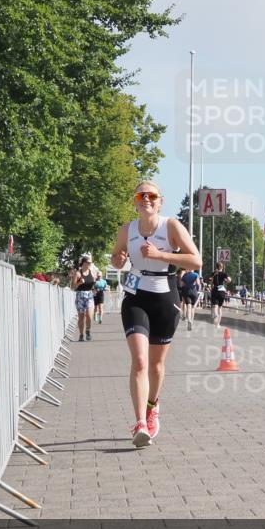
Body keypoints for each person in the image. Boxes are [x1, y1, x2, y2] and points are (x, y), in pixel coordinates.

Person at [111, 181, 201, 448]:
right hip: (136, 297)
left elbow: (195, 260)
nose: (146, 199)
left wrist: (161, 255)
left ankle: (153, 406)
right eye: (141, 195)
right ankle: (140, 423)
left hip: (165, 297)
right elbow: (117, 258)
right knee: (139, 361)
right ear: (135, 201)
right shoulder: (127, 229)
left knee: (156, 365)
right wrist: (118, 260)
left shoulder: (170, 226)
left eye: (152, 196)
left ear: (160, 201)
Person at [70, 255, 97, 341]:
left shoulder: (92, 272)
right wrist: (79, 283)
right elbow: (72, 287)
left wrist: (95, 289)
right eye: (88, 262)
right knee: (81, 317)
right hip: (80, 295)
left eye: (90, 263)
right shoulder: (78, 273)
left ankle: (88, 331)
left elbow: (94, 284)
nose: (89, 264)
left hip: (89, 295)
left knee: (89, 315)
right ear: (83, 263)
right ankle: (81, 334)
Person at [179, 266, 201, 330]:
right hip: (193, 291)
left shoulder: (185, 275)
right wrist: (198, 290)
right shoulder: (195, 275)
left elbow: (181, 284)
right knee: (193, 307)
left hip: (186, 291)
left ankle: (188, 319)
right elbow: (198, 283)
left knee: (188, 305)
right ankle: (191, 320)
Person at [210, 262, 231, 327]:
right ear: (222, 267)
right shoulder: (224, 273)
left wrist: (214, 276)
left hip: (215, 290)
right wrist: (226, 281)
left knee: (215, 306)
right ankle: (218, 324)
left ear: (216, 267)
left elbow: (210, 280)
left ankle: (215, 314)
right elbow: (229, 280)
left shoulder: (213, 273)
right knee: (220, 307)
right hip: (221, 291)